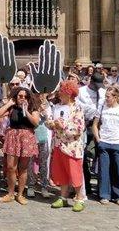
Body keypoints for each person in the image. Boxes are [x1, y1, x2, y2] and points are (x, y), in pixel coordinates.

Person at [46, 78, 86, 211]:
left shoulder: (77, 108)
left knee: (75, 173)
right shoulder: (57, 107)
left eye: (62, 92)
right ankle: (63, 197)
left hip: (71, 147)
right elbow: (50, 122)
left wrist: (62, 126)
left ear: (69, 94)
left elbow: (78, 129)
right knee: (61, 172)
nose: (59, 94)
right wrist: (51, 123)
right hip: (58, 145)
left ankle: (80, 198)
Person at [0, 86, 40, 205]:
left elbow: (36, 123)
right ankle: (10, 193)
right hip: (13, 137)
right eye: (20, 96)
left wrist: (26, 111)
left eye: (25, 96)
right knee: (11, 167)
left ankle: (20, 194)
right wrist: (9, 103)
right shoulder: (12, 107)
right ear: (16, 96)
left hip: (26, 138)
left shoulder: (32, 108)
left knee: (23, 168)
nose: (23, 98)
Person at [93, 86, 119, 205]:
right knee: (104, 171)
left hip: (117, 143)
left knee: (118, 171)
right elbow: (95, 125)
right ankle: (104, 195)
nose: (106, 99)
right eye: (105, 96)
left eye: (108, 97)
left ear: (115, 97)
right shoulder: (102, 108)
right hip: (104, 142)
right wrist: (98, 139)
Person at [77, 72, 106, 198]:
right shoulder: (81, 91)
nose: (98, 88)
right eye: (96, 85)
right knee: (83, 156)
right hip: (86, 125)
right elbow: (78, 107)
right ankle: (86, 185)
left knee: (100, 156)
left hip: (100, 127)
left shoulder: (103, 92)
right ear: (91, 81)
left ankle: (101, 188)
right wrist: (93, 111)